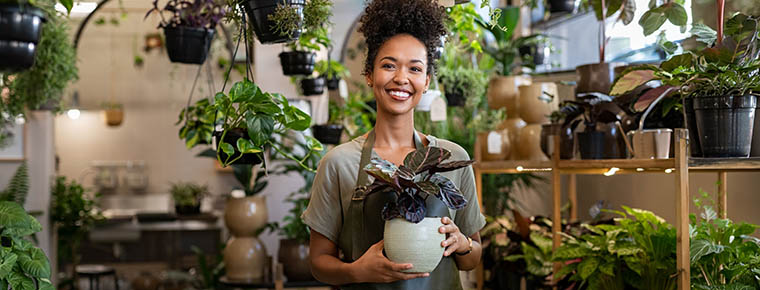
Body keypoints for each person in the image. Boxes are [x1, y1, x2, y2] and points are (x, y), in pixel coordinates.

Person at [301, 0, 485, 289]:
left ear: (426, 81)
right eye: (389, 65)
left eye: (414, 69)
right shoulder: (339, 163)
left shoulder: (452, 158)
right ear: (370, 75)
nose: (401, 78)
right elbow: (318, 262)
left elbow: (472, 257)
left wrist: (461, 243)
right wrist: (357, 272)